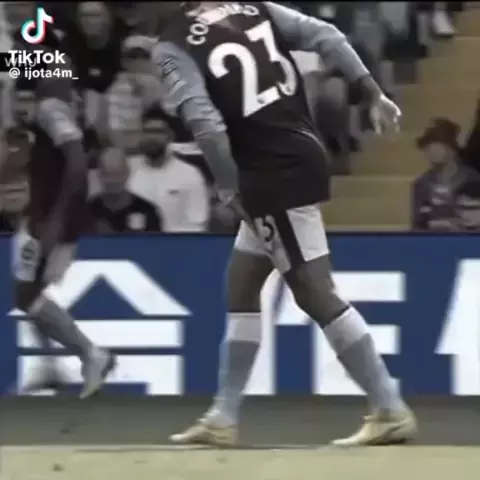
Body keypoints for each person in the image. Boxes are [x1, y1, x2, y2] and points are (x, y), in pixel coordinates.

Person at [146, 2, 416, 446]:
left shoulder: (173, 44)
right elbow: (327, 34)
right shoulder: (252, 6)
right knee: (242, 283)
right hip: (299, 149)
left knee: (314, 291)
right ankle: (223, 415)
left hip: (270, 169)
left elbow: (205, 123)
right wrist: (372, 92)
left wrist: (229, 187)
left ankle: (389, 407)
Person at [9, 35, 116, 398]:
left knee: (26, 295)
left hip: (52, 216)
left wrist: (56, 218)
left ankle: (92, 354)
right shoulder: (54, 99)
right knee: (29, 289)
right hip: (41, 211)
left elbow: (76, 162)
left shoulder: (50, 106)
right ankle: (49, 365)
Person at [128, 109, 209, 232]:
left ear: (170, 136)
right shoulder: (127, 171)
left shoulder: (190, 174)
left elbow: (197, 226)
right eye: (147, 131)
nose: (152, 137)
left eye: (158, 132)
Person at [412, 118, 480, 231]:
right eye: (427, 146)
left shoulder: (473, 181)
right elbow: (418, 227)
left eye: (438, 144)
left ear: (452, 149)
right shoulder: (422, 184)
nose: (431, 150)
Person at [89, 146, 162, 233]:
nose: (114, 180)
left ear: (127, 173)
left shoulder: (147, 211)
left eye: (118, 173)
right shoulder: (87, 211)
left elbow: (157, 241)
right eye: (108, 174)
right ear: (99, 175)